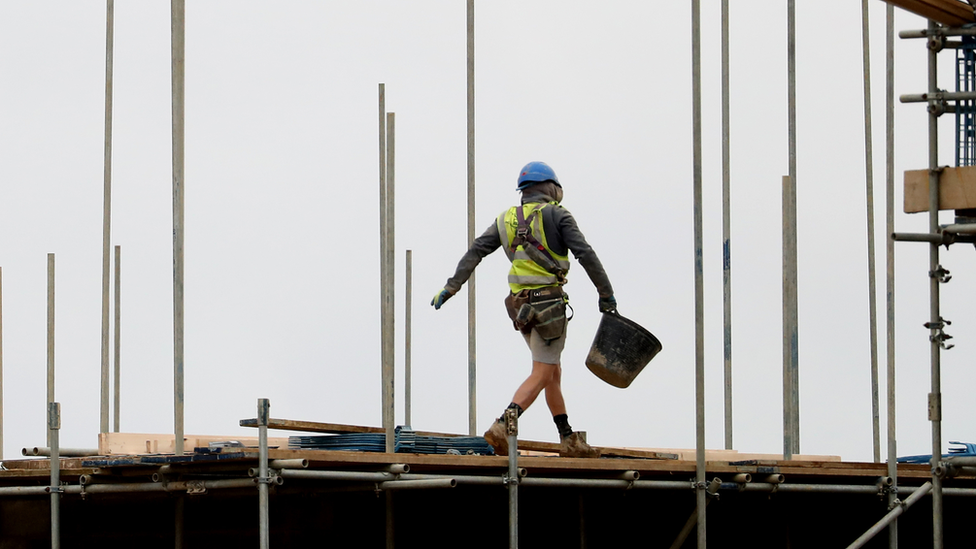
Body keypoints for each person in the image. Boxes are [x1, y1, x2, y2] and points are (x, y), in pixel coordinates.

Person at [431, 161, 617, 458]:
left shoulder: (506, 219)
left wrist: (451, 286)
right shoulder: (558, 215)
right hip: (548, 308)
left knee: (551, 370)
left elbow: (476, 250)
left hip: (521, 309)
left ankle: (568, 438)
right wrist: (606, 294)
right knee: (543, 372)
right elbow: (585, 254)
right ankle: (503, 424)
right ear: (550, 188)